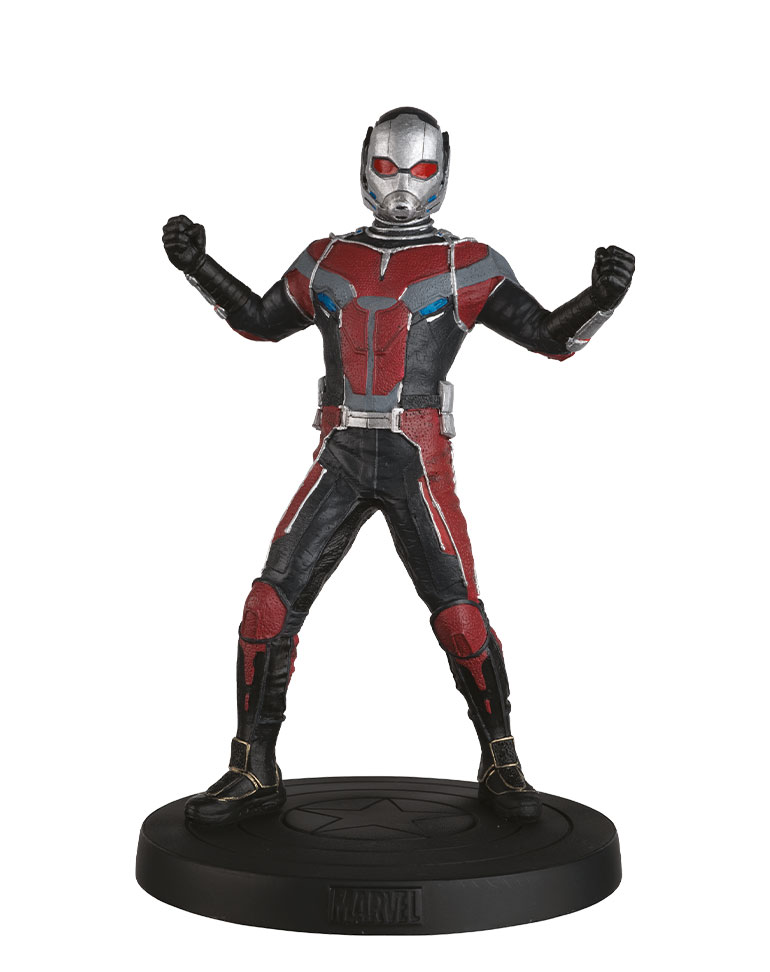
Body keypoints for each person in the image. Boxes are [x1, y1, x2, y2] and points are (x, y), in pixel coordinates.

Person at [162, 106, 635, 827]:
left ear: (443, 169)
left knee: (460, 617)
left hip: (418, 458)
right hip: (341, 454)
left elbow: (548, 338)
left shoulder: (467, 262)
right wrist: (199, 266)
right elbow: (259, 321)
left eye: (419, 168)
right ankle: (252, 766)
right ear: (364, 166)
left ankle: (502, 761)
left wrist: (600, 300)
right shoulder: (326, 257)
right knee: (267, 607)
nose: (402, 184)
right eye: (387, 167)